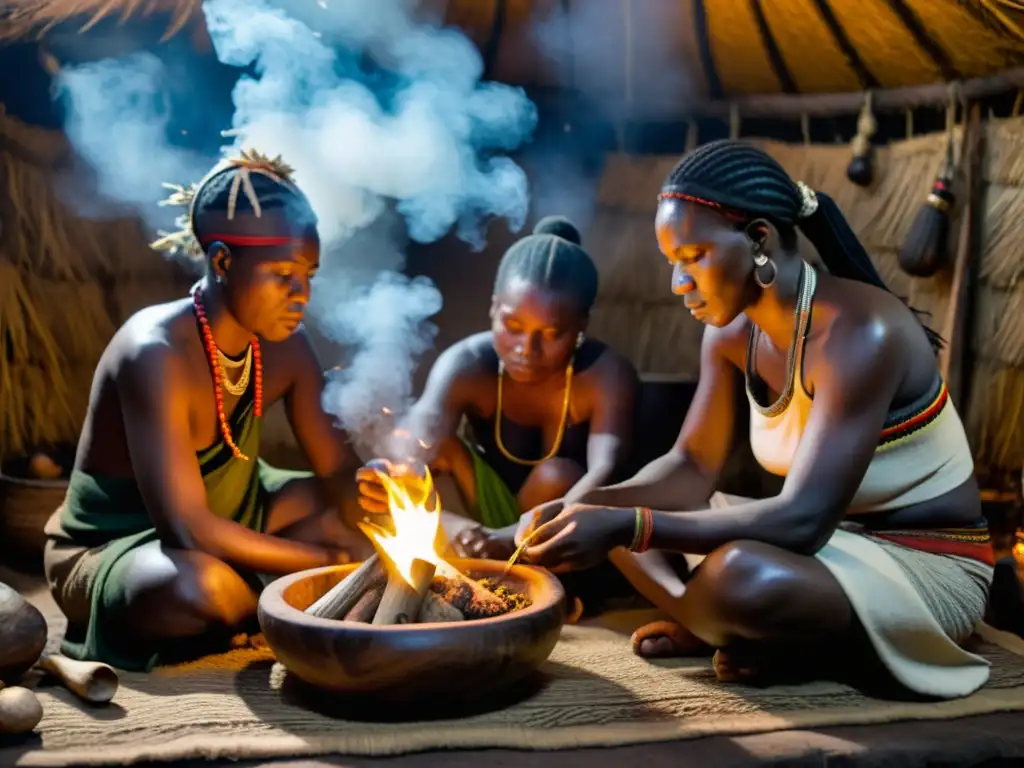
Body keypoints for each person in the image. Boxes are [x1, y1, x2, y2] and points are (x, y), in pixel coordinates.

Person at [514, 140, 995, 700]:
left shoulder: (859, 334)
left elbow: (802, 521)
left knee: (738, 573)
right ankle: (730, 625)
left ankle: (733, 625)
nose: (678, 284)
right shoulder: (730, 332)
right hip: (833, 548)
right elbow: (692, 466)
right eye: (673, 263)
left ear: (759, 240)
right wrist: (593, 509)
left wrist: (630, 525)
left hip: (925, 563)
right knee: (604, 514)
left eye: (692, 258)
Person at [43, 149, 372, 672]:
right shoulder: (155, 352)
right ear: (222, 261)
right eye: (283, 273)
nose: (301, 293)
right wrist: (333, 564)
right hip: (119, 547)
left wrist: (377, 489)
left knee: (357, 527)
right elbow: (188, 530)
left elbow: (335, 471)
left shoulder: (288, 346)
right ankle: (272, 594)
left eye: (309, 274)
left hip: (236, 514)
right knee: (205, 591)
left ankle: (273, 592)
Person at [358, 216, 638, 562]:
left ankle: (514, 567)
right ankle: (466, 541)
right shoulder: (468, 362)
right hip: (483, 519)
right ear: (493, 308)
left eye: (551, 334)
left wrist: (508, 538)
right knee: (436, 448)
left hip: (566, 526)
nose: (526, 348)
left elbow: (604, 474)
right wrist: (390, 469)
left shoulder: (605, 374)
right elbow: (422, 428)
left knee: (556, 475)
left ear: (581, 326)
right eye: (512, 326)